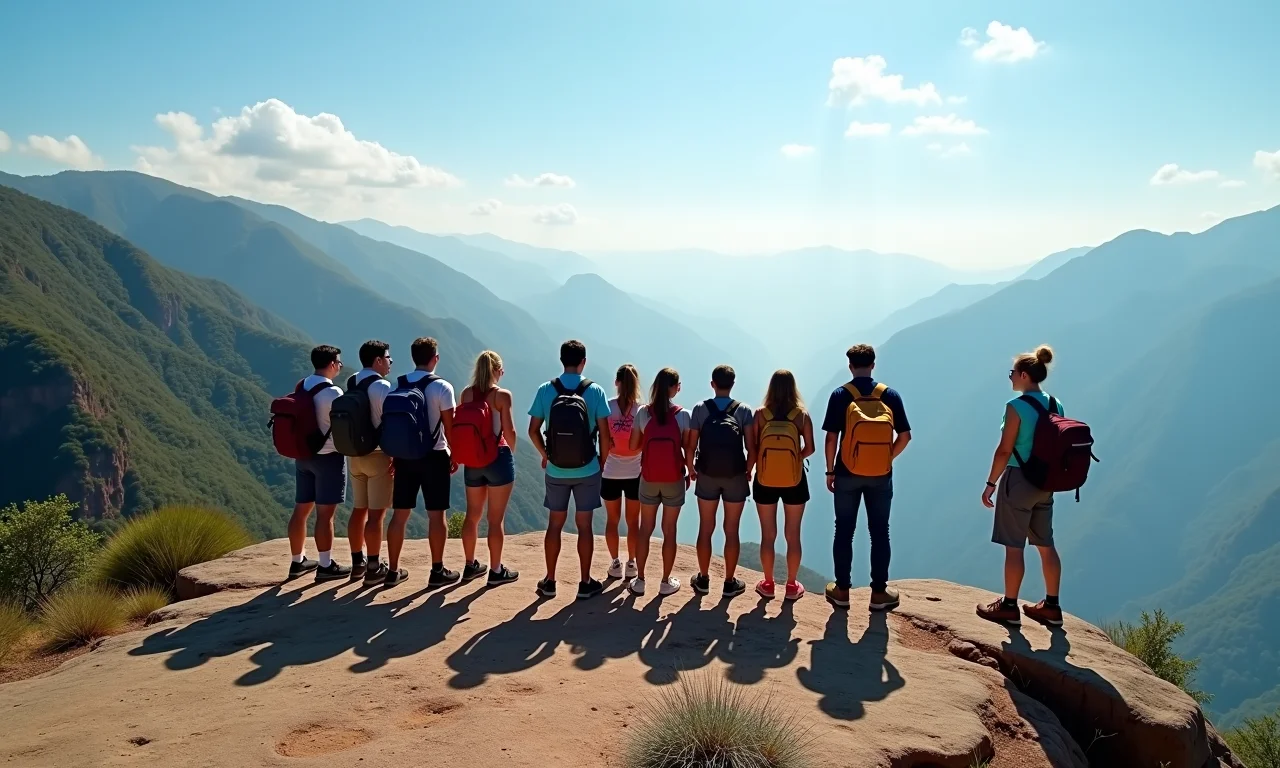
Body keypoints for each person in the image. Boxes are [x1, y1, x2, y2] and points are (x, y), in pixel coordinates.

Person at [977, 345, 1065, 627]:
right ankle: (1051, 606)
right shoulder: (1055, 403)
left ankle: (1009, 606)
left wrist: (991, 483)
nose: (1010, 377)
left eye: (1012, 372)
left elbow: (1005, 450)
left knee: (1014, 547)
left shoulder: (1015, 407)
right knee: (1046, 544)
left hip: (1019, 481)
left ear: (1025, 375)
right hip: (1046, 482)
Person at [821, 344, 912, 612]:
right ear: (873, 364)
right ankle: (879, 594)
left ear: (850, 366)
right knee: (879, 532)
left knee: (844, 530)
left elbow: (830, 438)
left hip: (846, 474)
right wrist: (887, 459)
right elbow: (905, 436)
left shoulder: (840, 395)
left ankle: (842, 591)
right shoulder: (890, 395)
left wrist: (830, 470)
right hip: (881, 476)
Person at [527, 340, 612, 600]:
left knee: (555, 524)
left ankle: (550, 581)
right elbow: (606, 436)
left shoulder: (545, 390)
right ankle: (585, 582)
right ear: (583, 361)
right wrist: (602, 461)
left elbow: (532, 430)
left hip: (556, 469)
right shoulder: (595, 391)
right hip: (587, 468)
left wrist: (546, 455)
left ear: (561, 360)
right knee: (584, 526)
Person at [386, 337, 459, 589]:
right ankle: (437, 570)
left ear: (413, 357)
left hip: (404, 457)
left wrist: (395, 456)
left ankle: (392, 570)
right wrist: (455, 455)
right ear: (435, 358)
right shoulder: (442, 387)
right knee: (436, 515)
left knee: (400, 515)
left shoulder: (399, 384)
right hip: (434, 456)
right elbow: (450, 428)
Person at [686, 364, 756, 598]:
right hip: (735, 476)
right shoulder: (744, 410)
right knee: (731, 529)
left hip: (706, 474)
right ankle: (729, 582)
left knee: (706, 527)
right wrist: (747, 470)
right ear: (733, 384)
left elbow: (691, 445)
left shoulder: (700, 409)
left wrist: (691, 469)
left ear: (712, 384)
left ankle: (703, 579)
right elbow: (751, 448)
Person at [287, 344, 351, 581]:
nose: (340, 367)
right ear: (333, 364)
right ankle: (325, 565)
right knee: (326, 515)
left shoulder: (302, 385)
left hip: (303, 456)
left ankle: (297, 561)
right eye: (340, 363)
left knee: (301, 510)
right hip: (328, 457)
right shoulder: (334, 394)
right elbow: (344, 429)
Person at [457, 351, 520, 587]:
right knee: (496, 520)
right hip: (497, 458)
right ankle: (495, 571)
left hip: (472, 460)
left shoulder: (466, 393)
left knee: (472, 515)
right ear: (497, 370)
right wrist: (510, 454)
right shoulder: (502, 396)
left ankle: (470, 564)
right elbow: (509, 431)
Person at [751, 370, 815, 600]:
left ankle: (767, 584)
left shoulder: (760, 415)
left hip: (765, 479)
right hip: (795, 480)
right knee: (793, 534)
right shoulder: (801, 416)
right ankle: (790, 585)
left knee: (768, 535)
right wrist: (795, 458)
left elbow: (754, 448)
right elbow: (810, 448)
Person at [629, 367, 691, 596]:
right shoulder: (684, 416)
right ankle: (665, 581)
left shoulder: (644, 413)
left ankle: (641, 579)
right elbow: (688, 448)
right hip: (674, 479)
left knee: (646, 528)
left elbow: (634, 445)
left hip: (649, 478)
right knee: (670, 530)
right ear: (675, 388)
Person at [345, 340, 395, 585]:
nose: (390, 362)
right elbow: (390, 422)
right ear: (377, 360)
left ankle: (358, 563)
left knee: (358, 510)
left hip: (353, 455)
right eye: (388, 358)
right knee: (376, 516)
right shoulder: (382, 386)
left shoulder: (352, 380)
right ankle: (374, 568)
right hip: (377, 456)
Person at [602, 364, 643, 581]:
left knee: (612, 520)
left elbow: (603, 440)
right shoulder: (642, 410)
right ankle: (631, 563)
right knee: (632, 521)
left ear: (616, 382)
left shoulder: (607, 407)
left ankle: (615, 563)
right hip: (635, 471)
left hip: (610, 471)